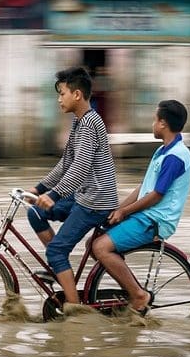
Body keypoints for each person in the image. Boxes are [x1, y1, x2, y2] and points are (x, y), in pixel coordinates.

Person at [25, 66, 119, 311]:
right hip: (83, 196)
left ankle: (75, 310)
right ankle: (61, 271)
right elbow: (66, 164)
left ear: (77, 94)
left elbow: (80, 168)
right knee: (35, 212)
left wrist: (54, 194)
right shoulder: (80, 122)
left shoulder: (89, 124)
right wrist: (39, 189)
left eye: (62, 93)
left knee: (56, 251)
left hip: (96, 202)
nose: (59, 99)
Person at [91, 100, 190, 317]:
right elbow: (144, 187)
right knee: (94, 240)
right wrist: (117, 209)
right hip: (144, 215)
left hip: (154, 220)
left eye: (155, 120)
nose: (152, 124)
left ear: (163, 123)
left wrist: (124, 212)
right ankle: (127, 288)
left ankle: (138, 295)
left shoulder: (174, 157)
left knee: (100, 248)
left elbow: (156, 195)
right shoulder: (162, 151)